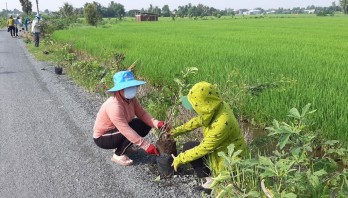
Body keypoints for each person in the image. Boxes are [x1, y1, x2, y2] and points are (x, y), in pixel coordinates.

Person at [168, 81, 246, 191]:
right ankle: (210, 180)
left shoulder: (222, 122)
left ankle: (217, 183)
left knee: (193, 150)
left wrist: (179, 159)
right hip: (217, 151)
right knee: (189, 146)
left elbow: (203, 149)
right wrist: (176, 131)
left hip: (227, 160)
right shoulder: (216, 106)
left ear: (205, 107)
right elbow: (199, 120)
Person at [93, 70, 168, 166]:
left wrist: (157, 123)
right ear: (119, 89)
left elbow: (142, 114)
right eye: (127, 87)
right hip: (103, 137)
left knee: (143, 124)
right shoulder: (114, 105)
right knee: (132, 129)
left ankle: (122, 146)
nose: (131, 89)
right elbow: (125, 129)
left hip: (117, 132)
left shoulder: (131, 99)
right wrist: (146, 146)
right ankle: (118, 154)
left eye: (132, 86)